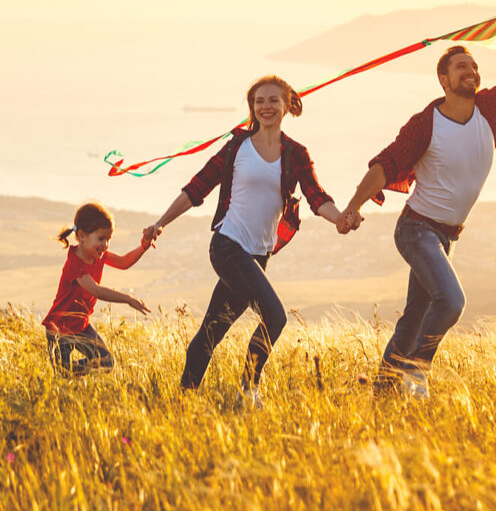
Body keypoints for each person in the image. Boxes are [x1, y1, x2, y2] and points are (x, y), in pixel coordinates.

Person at [340, 11, 496, 397]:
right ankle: (417, 371)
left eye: (475, 67)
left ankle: (383, 393)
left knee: (413, 320)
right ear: (443, 80)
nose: (471, 72)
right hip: (415, 231)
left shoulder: (490, 107)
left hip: (446, 237)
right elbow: (385, 165)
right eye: (461, 67)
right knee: (451, 301)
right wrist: (353, 206)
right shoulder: (425, 124)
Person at [143, 75, 359, 406]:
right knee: (275, 316)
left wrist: (341, 218)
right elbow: (197, 188)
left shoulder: (296, 154)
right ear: (252, 107)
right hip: (227, 246)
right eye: (259, 101)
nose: (265, 107)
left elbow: (317, 198)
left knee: (213, 329)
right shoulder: (236, 148)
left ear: (287, 104)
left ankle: (183, 398)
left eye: (273, 100)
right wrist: (160, 223)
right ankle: (247, 391)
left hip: (258, 256)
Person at [43, 202, 152, 376]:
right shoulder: (75, 264)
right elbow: (96, 290)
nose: (106, 244)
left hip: (80, 326)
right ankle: (66, 377)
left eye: (109, 239)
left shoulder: (98, 256)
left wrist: (143, 247)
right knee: (63, 375)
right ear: (82, 236)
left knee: (106, 362)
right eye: (101, 239)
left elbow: (124, 262)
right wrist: (128, 299)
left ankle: (69, 377)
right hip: (59, 330)